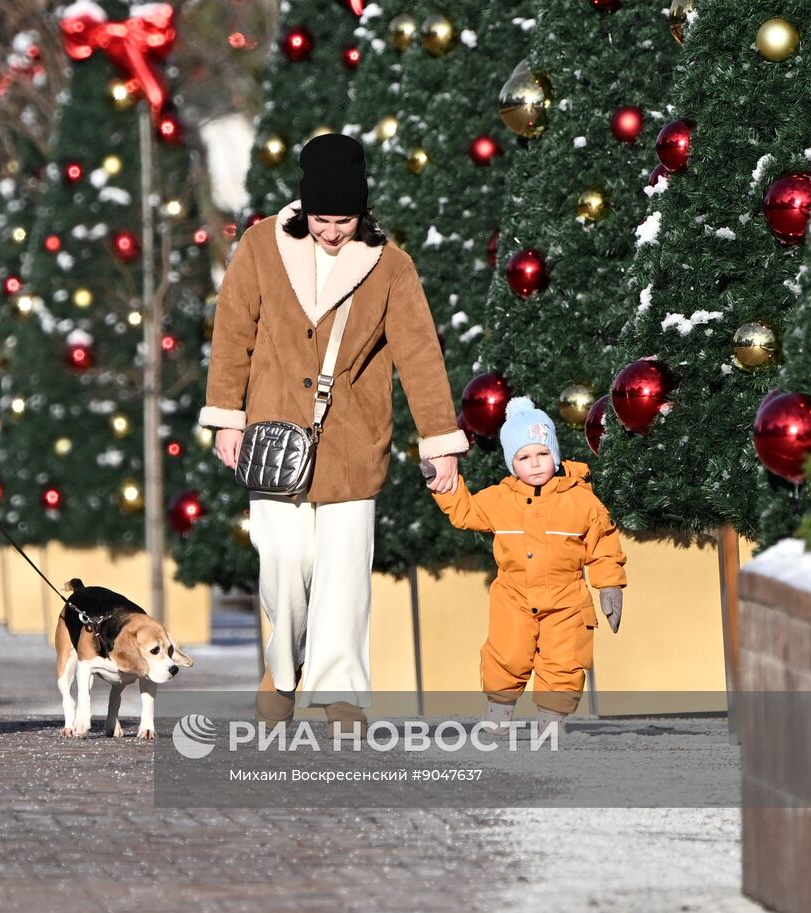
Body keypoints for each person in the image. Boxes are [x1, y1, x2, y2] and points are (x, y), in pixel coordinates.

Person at [200, 133, 467, 734]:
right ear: (304, 207)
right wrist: (225, 416)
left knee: (345, 572)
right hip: (273, 439)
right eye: (321, 219)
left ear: (362, 212)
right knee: (285, 561)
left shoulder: (391, 265)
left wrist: (440, 444)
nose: (330, 232)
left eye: (343, 220)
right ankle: (282, 669)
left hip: (353, 441)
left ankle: (341, 692)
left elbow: (420, 356)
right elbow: (232, 330)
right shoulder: (261, 247)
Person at [428, 396, 626, 733]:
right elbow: (466, 513)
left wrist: (609, 585)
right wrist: (444, 486)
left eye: (542, 453)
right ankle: (499, 709)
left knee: (565, 658)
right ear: (511, 462)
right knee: (507, 653)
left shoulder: (580, 499)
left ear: (555, 454)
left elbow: (604, 541)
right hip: (514, 597)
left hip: (567, 599)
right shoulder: (500, 498)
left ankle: (552, 718)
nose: (534, 464)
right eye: (523, 457)